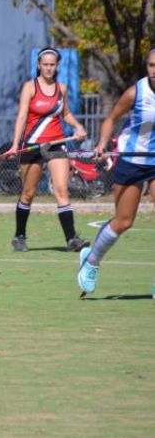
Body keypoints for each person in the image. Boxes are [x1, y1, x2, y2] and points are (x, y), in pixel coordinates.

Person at [77, 48, 155, 297]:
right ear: (147, 67)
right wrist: (101, 145)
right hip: (132, 160)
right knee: (123, 221)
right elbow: (110, 119)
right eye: (153, 65)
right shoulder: (136, 93)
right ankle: (92, 260)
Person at [5, 47, 89, 252]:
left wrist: (78, 126)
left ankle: (71, 239)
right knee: (29, 192)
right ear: (39, 65)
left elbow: (66, 113)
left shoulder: (62, 88)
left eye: (52, 65)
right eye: (45, 64)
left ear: (57, 65)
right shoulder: (30, 87)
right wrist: (16, 144)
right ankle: (20, 236)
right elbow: (22, 117)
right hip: (33, 144)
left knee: (61, 189)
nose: (49, 68)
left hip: (56, 143)